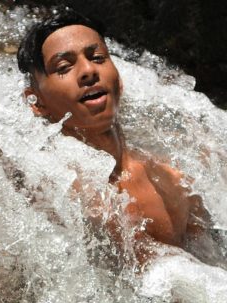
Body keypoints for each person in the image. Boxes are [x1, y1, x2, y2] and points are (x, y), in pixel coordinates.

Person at [17, 9, 220, 265]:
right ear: (36, 102)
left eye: (98, 58)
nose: (88, 70)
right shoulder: (49, 194)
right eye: (64, 67)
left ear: (119, 81)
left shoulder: (176, 181)